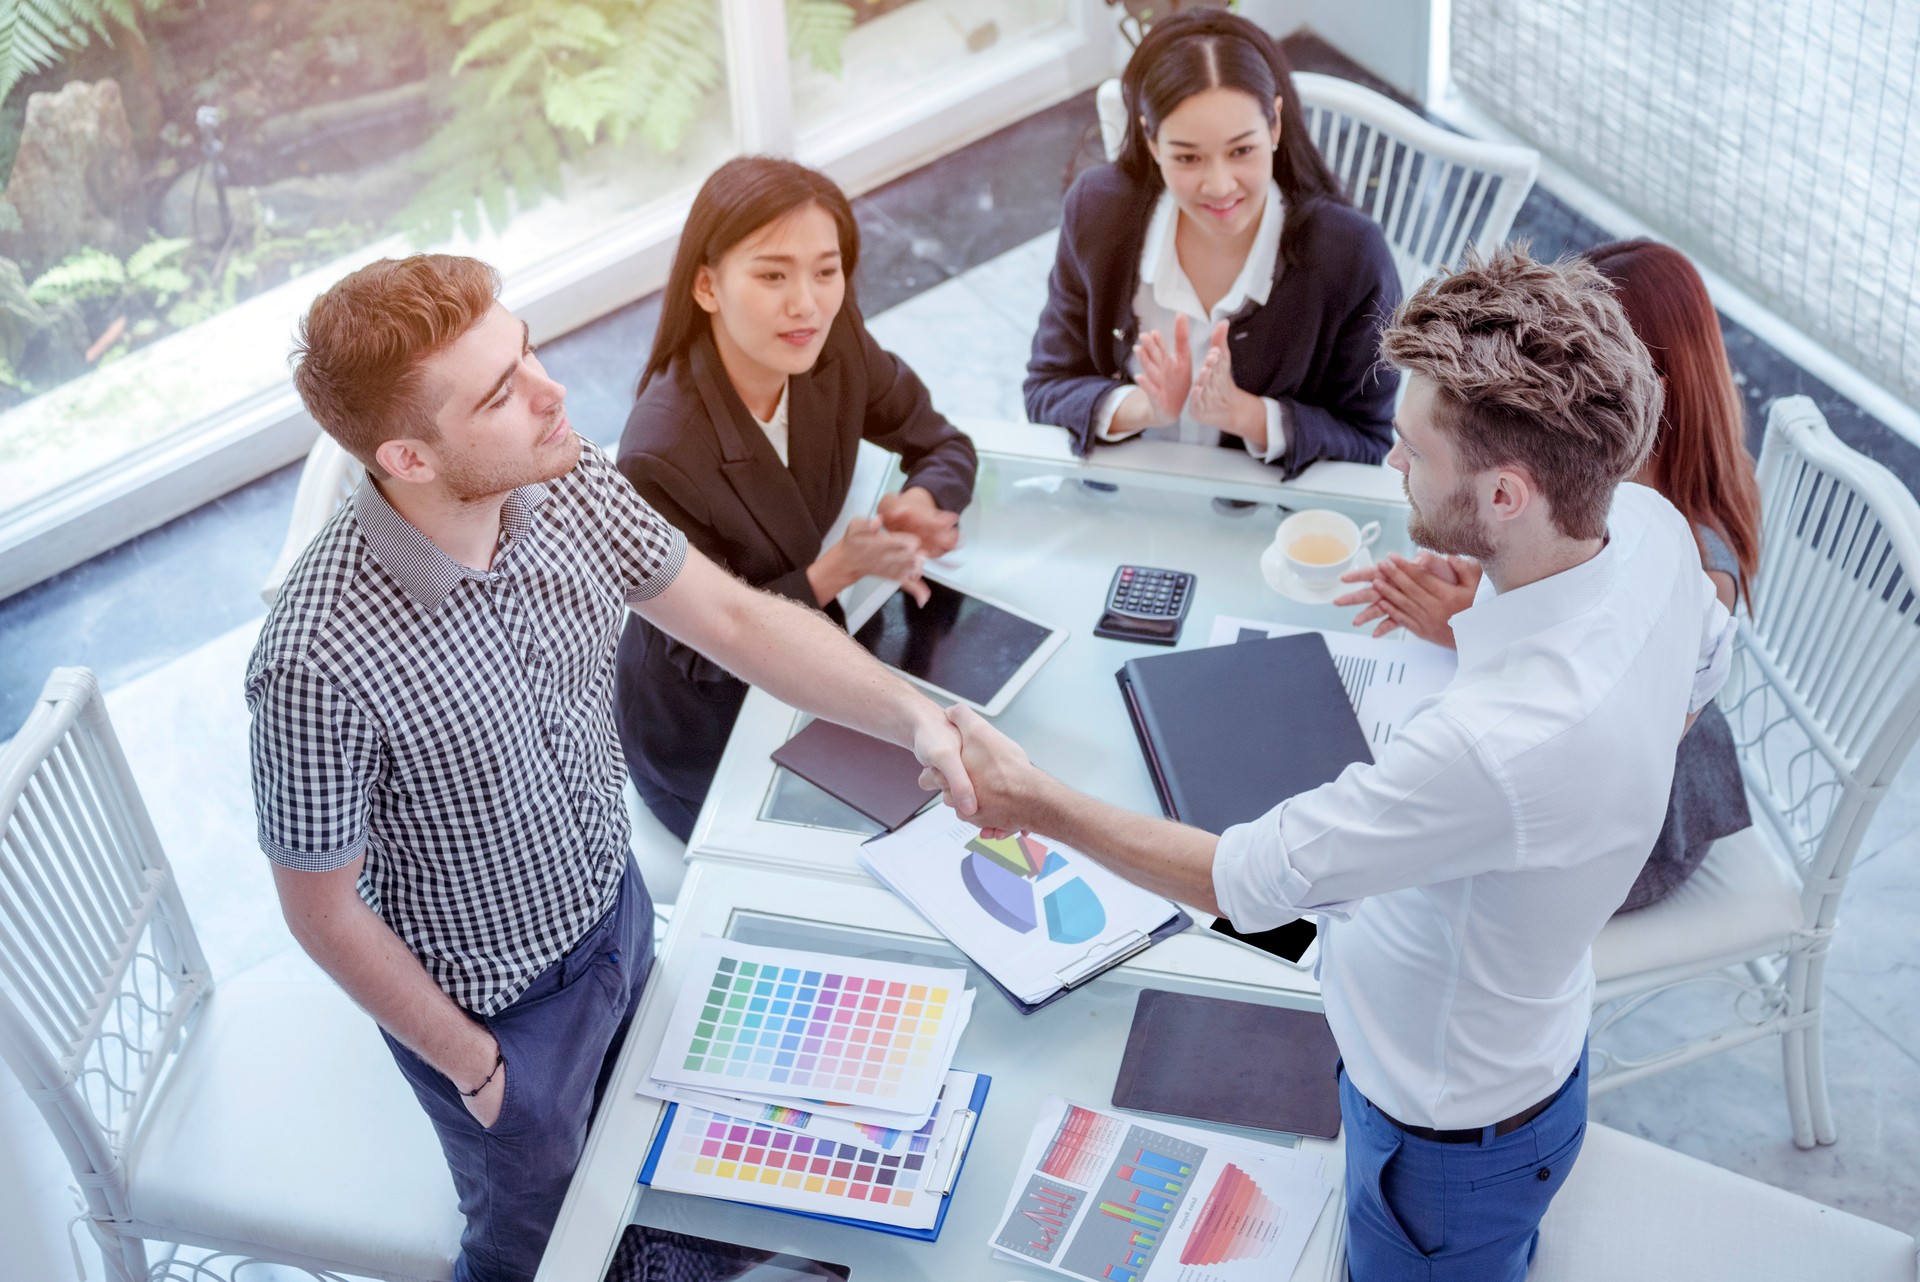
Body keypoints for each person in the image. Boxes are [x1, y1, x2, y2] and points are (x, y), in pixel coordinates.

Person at [929, 247, 1734, 1280]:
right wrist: (1511, 633)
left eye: (1412, 452)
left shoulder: (1497, 745)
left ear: (1505, 494)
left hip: (1444, 1143)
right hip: (1518, 1053)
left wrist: (1028, 796)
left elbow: (1242, 881)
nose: (1395, 467)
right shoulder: (1654, 531)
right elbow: (1704, 658)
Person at [245, 254, 975, 1282]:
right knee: (535, 1257)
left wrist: (912, 714)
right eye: (502, 393)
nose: (553, 393)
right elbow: (320, 911)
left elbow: (727, 616)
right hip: (497, 1016)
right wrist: (480, 1067)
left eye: (527, 349)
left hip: (619, 918)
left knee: (671, 1183)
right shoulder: (315, 658)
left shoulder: (566, 476)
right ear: (409, 457)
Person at [1337, 238, 1760, 912]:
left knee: (1395, 879)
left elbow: (1613, 726)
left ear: (1649, 383)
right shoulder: (1589, 487)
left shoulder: (1694, 557)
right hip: (1561, 774)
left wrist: (1466, 626)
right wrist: (1492, 565)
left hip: (1629, 839)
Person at [615, 157, 977, 841]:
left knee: (960, 796)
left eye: (825, 270)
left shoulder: (829, 344)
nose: (806, 303)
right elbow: (702, 649)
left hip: (817, 665)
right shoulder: (658, 453)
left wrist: (926, 502)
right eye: (773, 274)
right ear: (707, 285)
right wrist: (834, 571)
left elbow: (943, 444)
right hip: (706, 731)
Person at [1024, 9, 1400, 476]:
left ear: (1275, 125)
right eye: (1188, 157)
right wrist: (1146, 407)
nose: (1220, 186)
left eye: (1241, 150)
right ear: (1151, 140)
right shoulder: (1097, 213)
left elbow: (1368, 440)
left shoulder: (1351, 257)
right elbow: (1045, 388)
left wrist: (1242, 413)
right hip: (1120, 496)